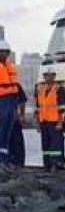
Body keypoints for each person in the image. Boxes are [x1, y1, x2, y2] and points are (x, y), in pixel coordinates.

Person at [34, 68, 65, 171]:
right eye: (46, 75)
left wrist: (60, 122)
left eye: (50, 75)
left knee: (56, 145)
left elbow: (62, 108)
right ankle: (47, 164)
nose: (47, 77)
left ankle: (56, 164)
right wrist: (37, 123)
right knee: (45, 145)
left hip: (55, 122)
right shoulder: (40, 89)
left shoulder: (59, 89)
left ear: (54, 76)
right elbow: (38, 108)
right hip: (44, 122)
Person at [0, 40, 19, 168]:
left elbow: (15, 87)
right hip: (1, 100)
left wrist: (16, 107)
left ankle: (3, 160)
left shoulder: (11, 67)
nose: (4, 54)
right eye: (2, 52)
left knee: (7, 132)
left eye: (6, 52)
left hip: (11, 100)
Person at [8, 83, 27, 168]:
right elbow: (22, 101)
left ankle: (17, 162)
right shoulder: (15, 85)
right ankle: (12, 162)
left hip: (13, 118)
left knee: (16, 141)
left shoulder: (15, 85)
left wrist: (22, 115)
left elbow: (22, 101)